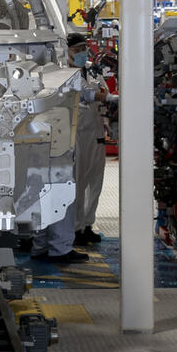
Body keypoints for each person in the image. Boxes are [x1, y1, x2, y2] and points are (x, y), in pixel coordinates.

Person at [66, 33, 110, 246]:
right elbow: (87, 95)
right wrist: (107, 97)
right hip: (78, 137)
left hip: (97, 134)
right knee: (78, 183)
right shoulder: (65, 73)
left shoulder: (92, 70)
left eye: (84, 48)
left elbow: (103, 91)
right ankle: (76, 228)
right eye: (77, 49)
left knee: (96, 181)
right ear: (67, 51)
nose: (82, 52)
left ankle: (88, 224)